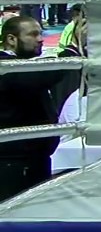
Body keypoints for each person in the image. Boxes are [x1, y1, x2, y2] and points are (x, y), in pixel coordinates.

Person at [0, 15, 75, 201]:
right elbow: (41, 77)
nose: (40, 39)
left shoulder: (21, 64)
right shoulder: (5, 65)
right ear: (11, 39)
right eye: (33, 34)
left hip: (33, 156)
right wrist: (72, 50)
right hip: (14, 161)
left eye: (41, 34)